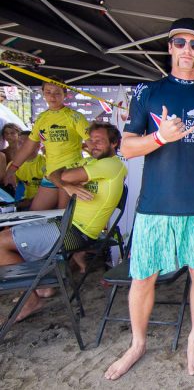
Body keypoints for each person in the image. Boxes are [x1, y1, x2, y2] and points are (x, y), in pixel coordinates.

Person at [104, 18, 194, 380]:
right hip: (154, 205)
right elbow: (127, 148)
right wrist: (159, 138)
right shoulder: (148, 91)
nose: (187, 51)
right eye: (180, 43)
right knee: (143, 277)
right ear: (169, 47)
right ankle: (137, 343)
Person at [0, 121, 126, 322]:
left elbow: (63, 174)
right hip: (65, 225)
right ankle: (43, 287)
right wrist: (66, 187)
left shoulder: (110, 164)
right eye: (90, 140)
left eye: (99, 141)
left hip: (75, 233)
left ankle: (31, 297)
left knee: (1, 243)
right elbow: (53, 173)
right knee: (9, 234)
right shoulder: (91, 163)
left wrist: (65, 180)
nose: (93, 145)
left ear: (114, 144)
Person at [4, 77, 90, 210]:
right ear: (43, 93)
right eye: (48, 92)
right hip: (50, 175)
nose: (52, 96)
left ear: (65, 95)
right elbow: (28, 146)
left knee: (63, 218)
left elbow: (93, 143)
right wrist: (11, 171)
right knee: (34, 215)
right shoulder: (42, 118)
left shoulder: (75, 117)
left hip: (70, 174)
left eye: (57, 92)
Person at [14, 130, 46, 210]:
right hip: (22, 203)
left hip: (45, 203)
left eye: (25, 143)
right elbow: (13, 188)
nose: (21, 146)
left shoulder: (47, 163)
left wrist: (31, 201)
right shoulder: (13, 165)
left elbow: (53, 191)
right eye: (19, 143)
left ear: (38, 146)